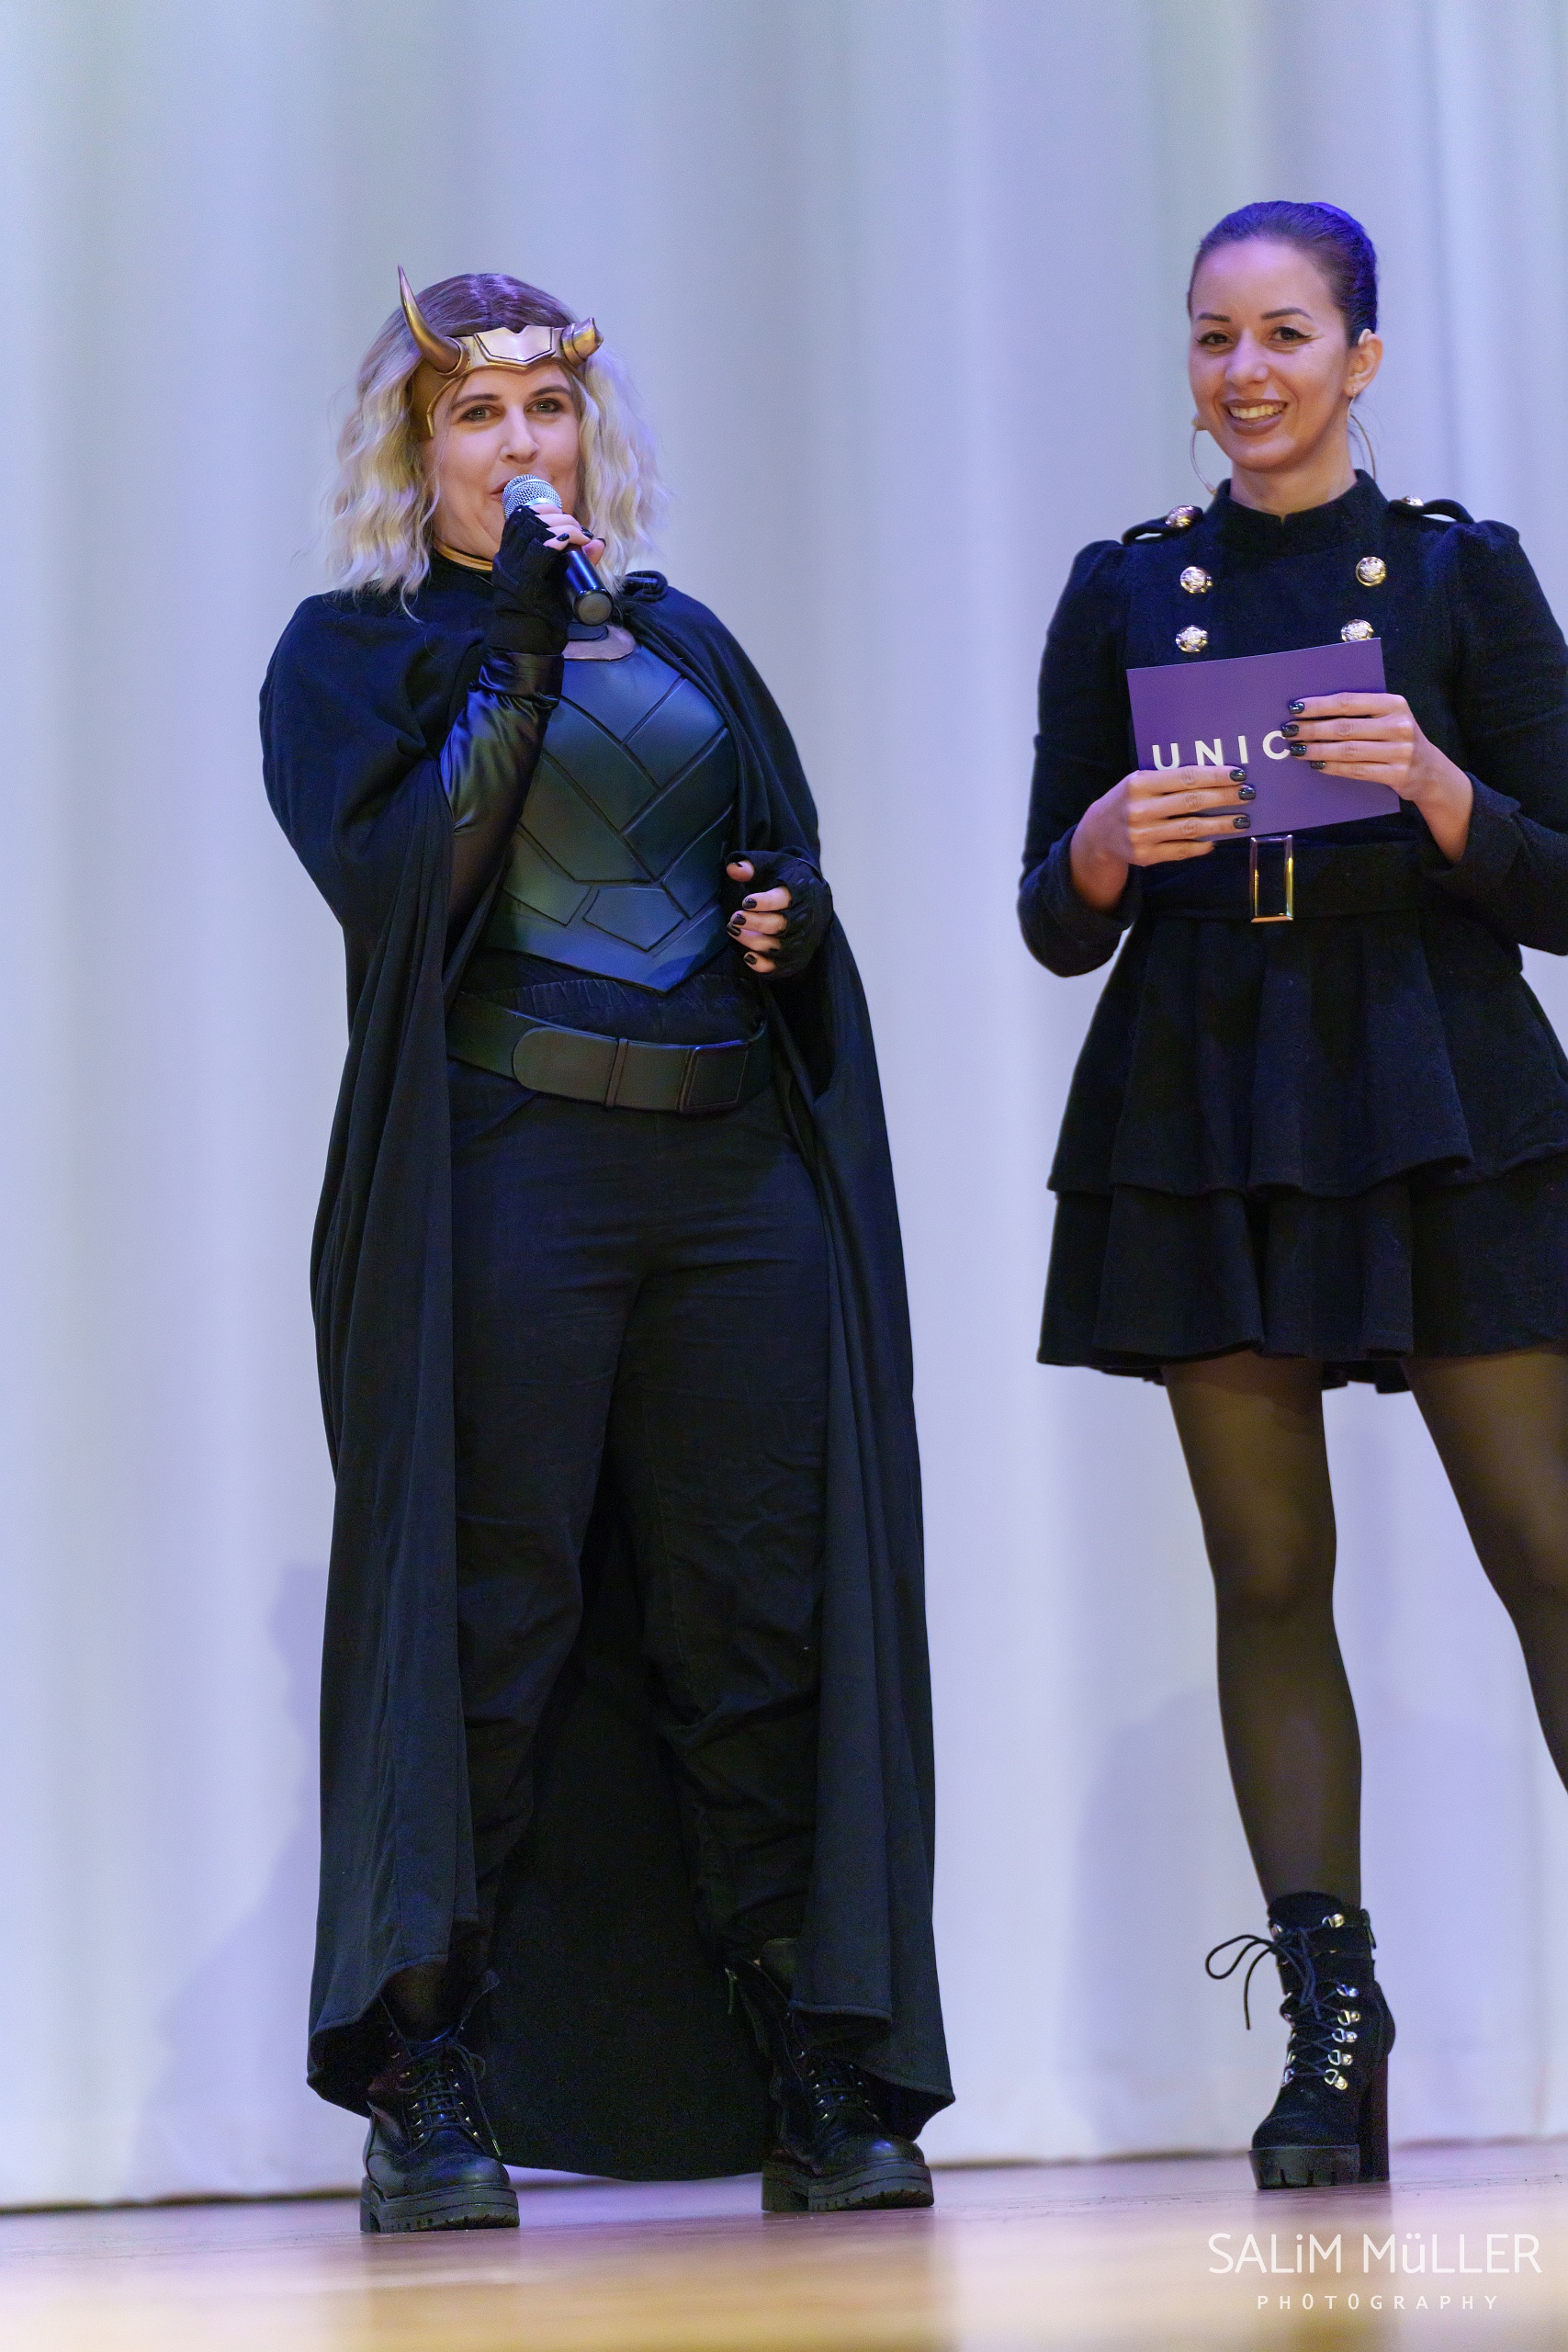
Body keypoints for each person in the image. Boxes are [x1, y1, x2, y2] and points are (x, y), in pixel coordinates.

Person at [263, 270, 949, 2231]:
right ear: (414, 449)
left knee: (756, 1619)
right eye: (473, 415)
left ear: (590, 428)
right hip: (513, 1172)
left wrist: (787, 917)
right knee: (493, 1613)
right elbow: (411, 877)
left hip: (730, 1184)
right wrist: (516, 640)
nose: (518, 444)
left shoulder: (685, 635)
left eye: (545, 408)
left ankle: (807, 2054)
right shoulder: (352, 653)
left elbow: (770, 858)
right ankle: (430, 2068)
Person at [1019, 200, 1568, 2190]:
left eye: (1282, 335)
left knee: (1545, 1542)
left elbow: (1563, 881)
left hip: (1432, 1071)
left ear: (1360, 355)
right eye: (1211, 338)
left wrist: (1435, 785)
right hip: (1207, 1086)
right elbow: (1048, 917)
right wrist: (1101, 840)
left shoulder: (1456, 571)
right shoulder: (1123, 586)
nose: (1242, 373)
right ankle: (1332, 2024)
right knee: (1262, 1569)